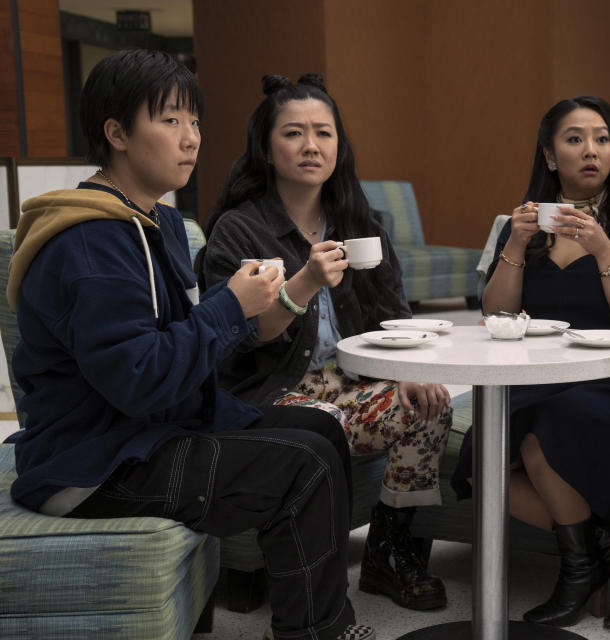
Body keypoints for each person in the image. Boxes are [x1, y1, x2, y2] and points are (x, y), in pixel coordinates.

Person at [6, 50, 373, 640]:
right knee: (302, 466)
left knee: (322, 429)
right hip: (93, 463)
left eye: (195, 122)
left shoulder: (161, 223)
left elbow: (185, 349)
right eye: (170, 121)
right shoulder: (91, 241)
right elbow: (140, 378)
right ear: (117, 133)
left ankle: (324, 617)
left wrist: (246, 308)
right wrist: (230, 306)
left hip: (151, 430)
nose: (192, 139)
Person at [198, 74, 453, 612]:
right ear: (266, 148)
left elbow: (395, 315)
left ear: (340, 145)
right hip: (270, 389)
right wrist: (305, 279)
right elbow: (231, 341)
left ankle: (388, 550)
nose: (311, 146)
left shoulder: (362, 224)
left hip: (350, 381)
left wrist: (408, 368)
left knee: (430, 402)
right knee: (326, 424)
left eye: (324, 133)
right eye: (294, 133)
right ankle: (315, 577)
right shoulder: (238, 231)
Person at [451, 95, 610, 628]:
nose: (590, 150)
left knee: (538, 437)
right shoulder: (522, 227)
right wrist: (516, 242)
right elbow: (498, 312)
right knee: (483, 466)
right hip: (539, 378)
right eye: (574, 139)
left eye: (601, 138)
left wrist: (604, 252)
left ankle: (577, 572)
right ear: (550, 157)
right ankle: (608, 547)